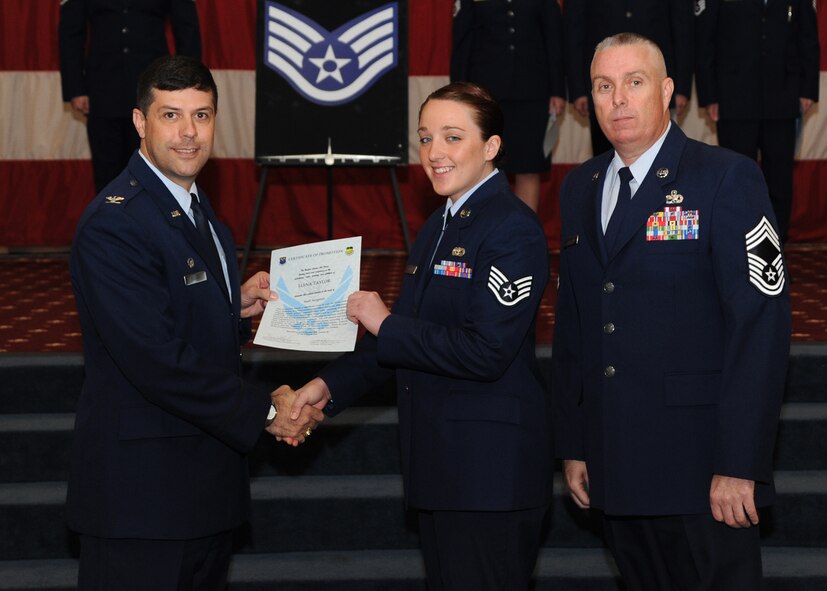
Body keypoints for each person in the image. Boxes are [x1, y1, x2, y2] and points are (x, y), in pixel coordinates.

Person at [68, 55, 323, 591]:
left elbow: (175, 317)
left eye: (202, 116)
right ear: (140, 122)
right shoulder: (115, 223)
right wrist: (265, 410)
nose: (188, 133)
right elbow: (156, 360)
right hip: (142, 504)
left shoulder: (199, 210)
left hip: (202, 494)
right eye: (171, 115)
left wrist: (235, 308)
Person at [284, 82, 552, 590]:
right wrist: (328, 387)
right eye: (426, 138)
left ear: (491, 147)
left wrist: (384, 322)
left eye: (452, 137)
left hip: (489, 476)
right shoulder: (437, 227)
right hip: (442, 470)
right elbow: (403, 342)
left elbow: (486, 352)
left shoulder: (511, 228)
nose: (434, 153)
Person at [551, 33, 790, 589]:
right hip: (614, 459)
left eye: (634, 83)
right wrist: (575, 444)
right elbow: (576, 327)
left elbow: (761, 327)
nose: (619, 100)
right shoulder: (579, 188)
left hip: (702, 469)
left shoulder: (726, 177)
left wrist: (740, 462)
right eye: (604, 87)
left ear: (667, 92)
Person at [694, 0, 819, 243]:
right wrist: (709, 94)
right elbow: (704, 39)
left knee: (780, 186)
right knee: (736, 183)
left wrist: (807, 89)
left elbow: (808, 36)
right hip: (734, 98)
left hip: (783, 96)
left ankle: (774, 258)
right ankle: (738, 256)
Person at [59, 0, 202, 193]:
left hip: (155, 92)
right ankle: (109, 223)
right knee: (107, 174)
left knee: (157, 172)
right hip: (103, 91)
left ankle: (156, 223)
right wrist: (76, 88)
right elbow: (71, 33)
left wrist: (188, 85)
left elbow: (186, 29)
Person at [451, 0, 565, 211]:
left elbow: (554, 37)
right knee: (481, 168)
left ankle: (524, 237)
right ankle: (482, 236)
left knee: (529, 168)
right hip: (485, 95)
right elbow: (462, 41)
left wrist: (557, 90)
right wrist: (459, 94)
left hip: (533, 92)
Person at [563, 0, 693, 157]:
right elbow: (573, 28)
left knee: (661, 153)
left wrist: (682, 88)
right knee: (606, 155)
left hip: (654, 78)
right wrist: (578, 89)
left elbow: (683, 28)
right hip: (604, 81)